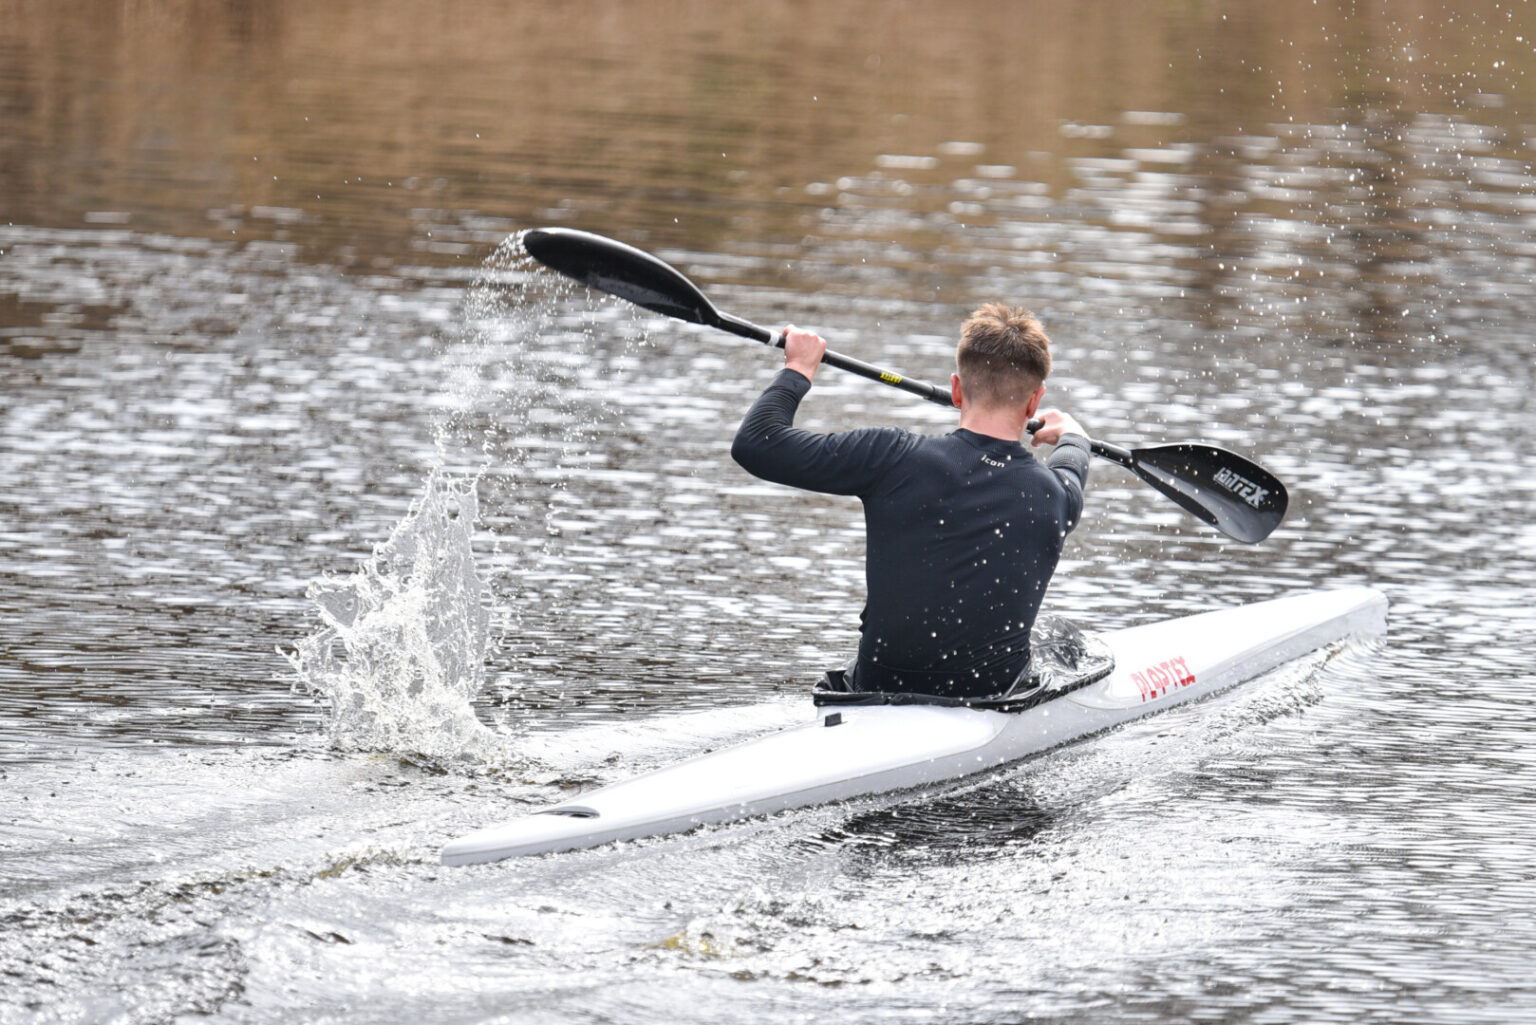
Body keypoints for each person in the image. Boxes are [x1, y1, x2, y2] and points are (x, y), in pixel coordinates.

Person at [731, 303, 1090, 699]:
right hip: (989, 692)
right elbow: (1071, 468)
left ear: (956, 389)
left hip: (877, 684)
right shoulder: (1053, 496)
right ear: (1034, 402)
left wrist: (797, 369)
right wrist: (1074, 436)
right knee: (1066, 642)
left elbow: (756, 444)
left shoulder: (891, 455)